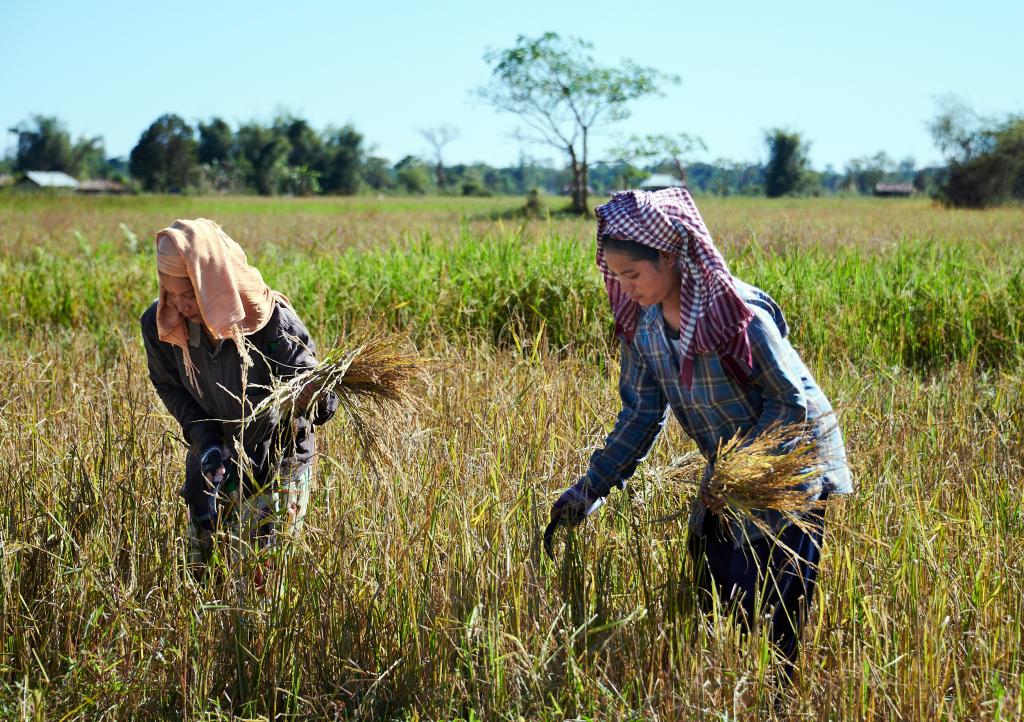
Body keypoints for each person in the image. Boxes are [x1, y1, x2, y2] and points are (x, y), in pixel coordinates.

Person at [548, 188, 852, 680]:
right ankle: (729, 693)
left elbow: (790, 401)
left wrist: (743, 470)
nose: (625, 288)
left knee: (771, 603)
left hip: (788, 466)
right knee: (714, 590)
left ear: (669, 256)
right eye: (616, 276)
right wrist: (590, 488)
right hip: (729, 471)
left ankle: (776, 702)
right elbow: (641, 416)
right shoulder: (644, 328)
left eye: (633, 275)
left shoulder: (736, 316)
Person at [140, 218, 337, 581]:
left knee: (260, 583)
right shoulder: (162, 325)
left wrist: (315, 395)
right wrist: (208, 443)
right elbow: (169, 386)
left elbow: (321, 402)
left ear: (213, 281)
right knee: (203, 574)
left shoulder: (270, 323)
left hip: (277, 463)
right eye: (172, 294)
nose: (181, 306)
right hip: (215, 462)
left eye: (191, 293)